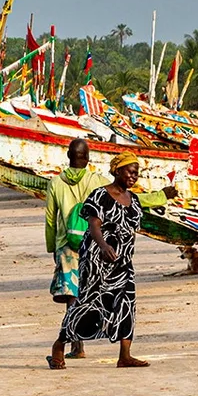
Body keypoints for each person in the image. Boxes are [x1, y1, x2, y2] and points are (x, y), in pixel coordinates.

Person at [52, 156, 149, 369]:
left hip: (122, 262)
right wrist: (104, 246)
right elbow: (94, 225)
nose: (133, 176)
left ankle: (125, 355)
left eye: (136, 173)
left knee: (126, 304)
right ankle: (60, 345)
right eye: (130, 172)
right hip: (97, 260)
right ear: (116, 171)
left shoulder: (134, 199)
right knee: (87, 303)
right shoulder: (100, 195)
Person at [43, 139, 102, 358]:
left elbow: (51, 219)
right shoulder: (96, 181)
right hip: (91, 242)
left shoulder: (56, 183)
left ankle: (77, 346)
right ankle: (82, 340)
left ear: (68, 156)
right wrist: (161, 196)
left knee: (72, 296)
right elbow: (121, 196)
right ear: (87, 158)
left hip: (65, 246)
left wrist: (52, 247)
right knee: (87, 292)